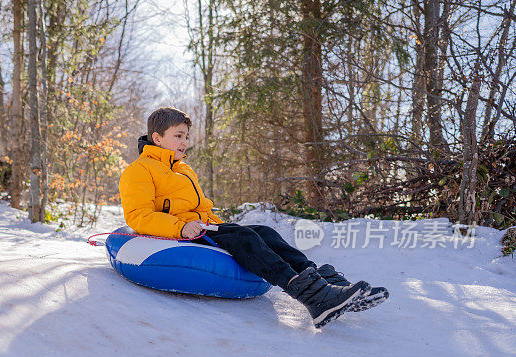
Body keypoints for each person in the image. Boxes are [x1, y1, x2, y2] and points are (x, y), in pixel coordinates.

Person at [118, 106, 388, 328]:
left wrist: (217, 225)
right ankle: (313, 298)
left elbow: (202, 208)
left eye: (186, 136)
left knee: (264, 232)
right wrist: (180, 227)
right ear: (157, 138)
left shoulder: (184, 170)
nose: (185, 142)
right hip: (175, 234)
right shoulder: (139, 171)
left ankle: (324, 282)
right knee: (244, 236)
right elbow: (138, 215)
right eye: (178, 136)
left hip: (200, 226)